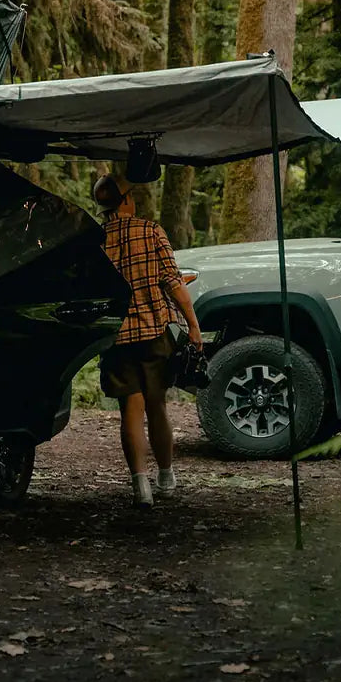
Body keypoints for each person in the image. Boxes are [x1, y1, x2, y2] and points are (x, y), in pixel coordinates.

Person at [93, 174, 202, 508]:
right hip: (154, 331)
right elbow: (172, 281)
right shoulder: (150, 230)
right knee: (157, 406)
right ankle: (166, 474)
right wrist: (193, 326)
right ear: (126, 199)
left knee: (130, 410)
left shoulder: (94, 240)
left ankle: (140, 486)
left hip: (116, 336)